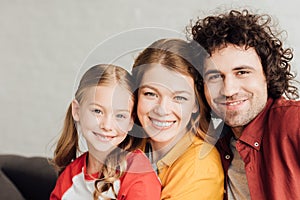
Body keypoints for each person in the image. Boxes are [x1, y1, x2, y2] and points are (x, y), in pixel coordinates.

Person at [190, 9, 300, 200]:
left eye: (242, 72)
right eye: (215, 76)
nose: (229, 90)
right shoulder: (212, 142)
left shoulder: (294, 122)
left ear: (268, 74)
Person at [50, 64, 161, 200]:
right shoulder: (69, 177)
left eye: (120, 116)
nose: (107, 125)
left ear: (131, 121)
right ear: (77, 111)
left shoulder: (138, 173)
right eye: (97, 111)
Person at [132, 38, 224, 199]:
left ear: (195, 104)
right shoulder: (126, 148)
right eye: (150, 94)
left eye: (179, 98)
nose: (162, 109)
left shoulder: (200, 164)